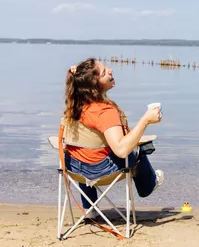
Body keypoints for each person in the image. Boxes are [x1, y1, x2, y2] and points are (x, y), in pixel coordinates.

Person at [63, 58, 164, 217]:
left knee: (83, 152)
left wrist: (77, 77)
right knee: (138, 147)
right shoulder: (105, 112)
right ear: (96, 85)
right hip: (102, 171)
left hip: (75, 169)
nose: (110, 70)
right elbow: (121, 150)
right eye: (104, 72)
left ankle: (89, 208)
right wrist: (145, 120)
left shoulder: (74, 105)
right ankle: (149, 185)